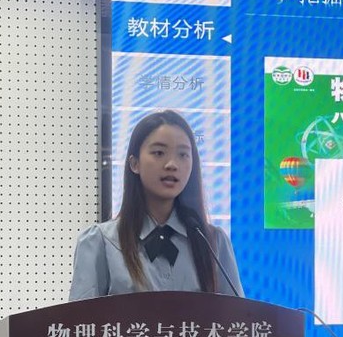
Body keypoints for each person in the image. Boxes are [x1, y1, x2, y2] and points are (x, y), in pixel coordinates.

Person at [69, 110, 243, 301]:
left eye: (183, 154)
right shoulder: (100, 242)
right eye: (159, 153)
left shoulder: (214, 243)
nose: (172, 164)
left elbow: (240, 318)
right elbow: (80, 320)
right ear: (134, 164)